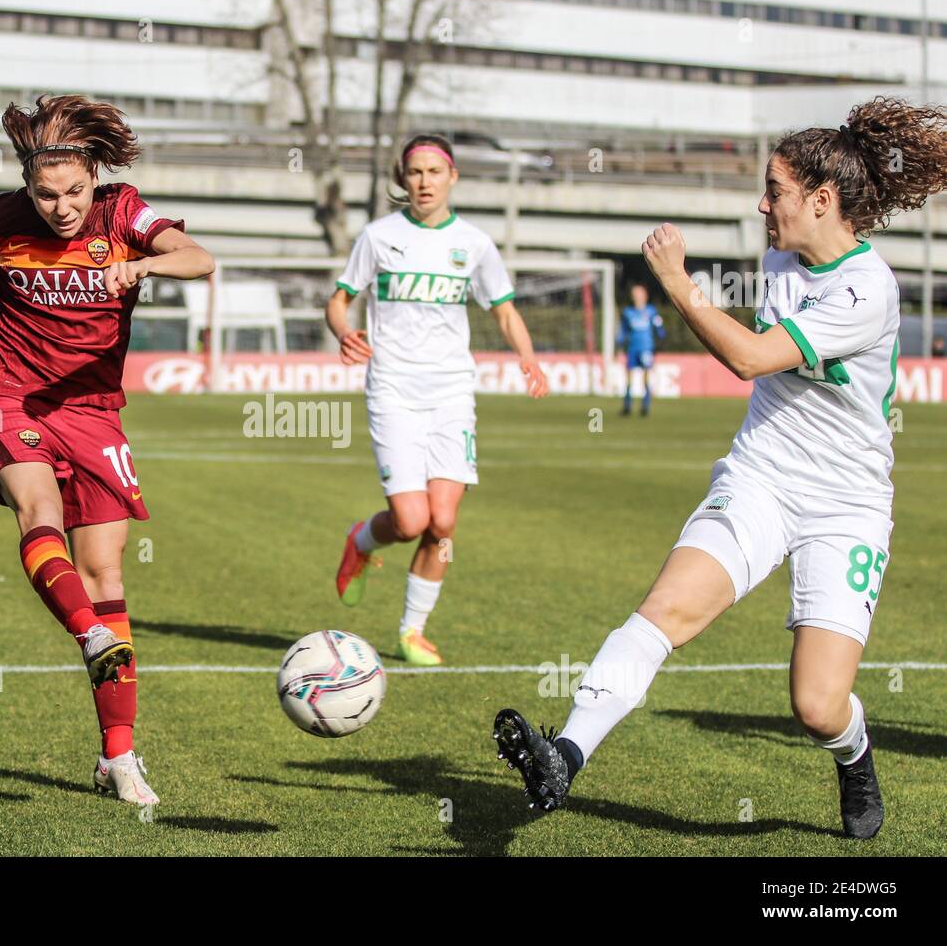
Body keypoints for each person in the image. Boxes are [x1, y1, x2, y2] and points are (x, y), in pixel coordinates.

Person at [492, 97, 947, 839]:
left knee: (818, 706)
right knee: (666, 609)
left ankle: (854, 753)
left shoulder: (869, 290)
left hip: (848, 504)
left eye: (775, 190)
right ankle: (565, 755)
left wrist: (678, 281)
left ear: (823, 201)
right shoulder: (780, 255)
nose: (762, 205)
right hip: (761, 477)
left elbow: (749, 356)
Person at [0, 95, 214, 805]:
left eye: (73, 190)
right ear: (27, 185)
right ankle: (88, 636)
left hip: (94, 411)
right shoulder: (0, 217)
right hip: (15, 396)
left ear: (93, 176)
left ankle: (120, 757)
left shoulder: (123, 213)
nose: (60, 207)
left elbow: (200, 259)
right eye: (45, 194)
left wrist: (144, 268)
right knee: (37, 508)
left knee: (106, 574)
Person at [328, 134, 548, 667]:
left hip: (451, 390)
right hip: (394, 389)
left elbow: (503, 309)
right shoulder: (379, 237)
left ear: (453, 178)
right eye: (414, 172)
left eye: (433, 171)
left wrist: (529, 357)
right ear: (403, 180)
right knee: (408, 521)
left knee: (442, 521)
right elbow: (340, 300)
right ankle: (361, 542)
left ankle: (411, 632)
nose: (424, 181)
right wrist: (344, 331)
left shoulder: (473, 244)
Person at [618, 282, 666, 415]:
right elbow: (623, 331)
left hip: (646, 348)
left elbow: (659, 329)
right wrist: (620, 344)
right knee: (628, 377)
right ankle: (627, 406)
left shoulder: (651, 311)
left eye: (638, 293)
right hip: (632, 348)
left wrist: (659, 343)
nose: (636, 296)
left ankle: (645, 406)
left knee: (646, 376)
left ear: (645, 295)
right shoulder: (628, 312)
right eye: (634, 293)